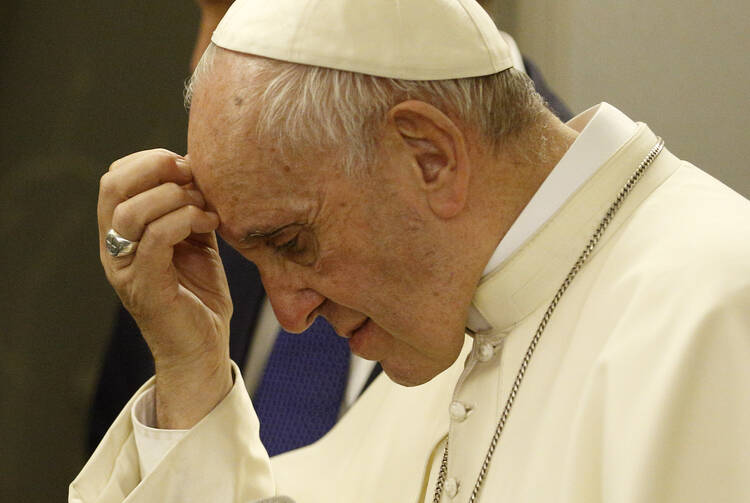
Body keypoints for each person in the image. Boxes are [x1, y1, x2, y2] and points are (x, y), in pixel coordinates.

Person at [72, 0, 750, 502]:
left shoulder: (714, 310)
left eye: (293, 242)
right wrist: (193, 369)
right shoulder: (452, 326)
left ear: (429, 156)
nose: (291, 311)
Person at [87, 0, 572, 455]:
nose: (199, 59)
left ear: (430, 159)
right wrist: (190, 378)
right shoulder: (226, 214)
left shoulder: (613, 316)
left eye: (242, 6)